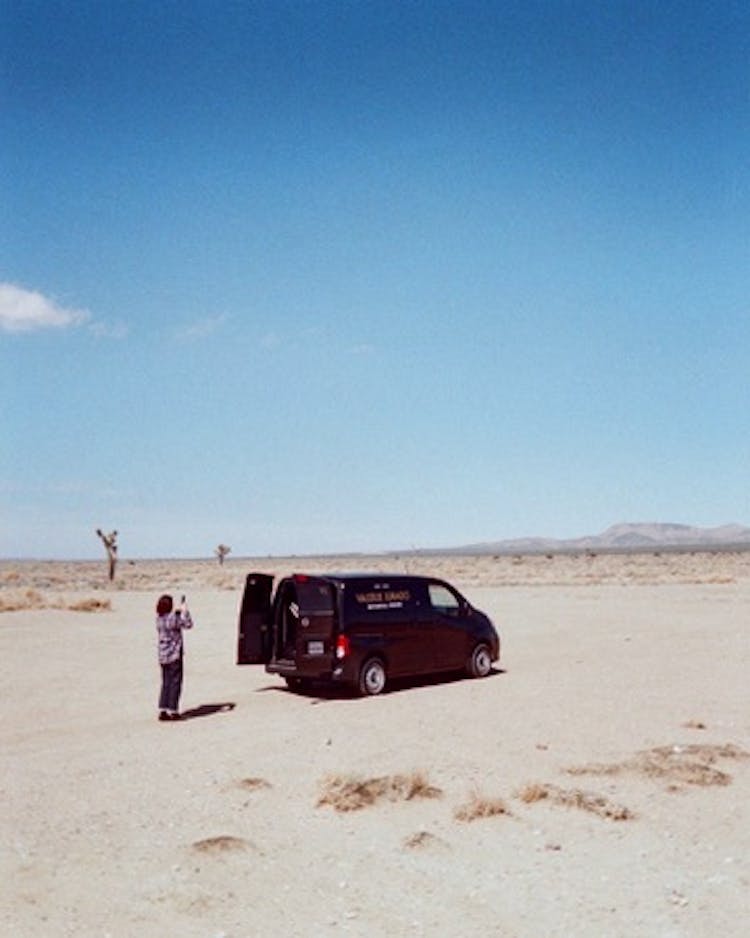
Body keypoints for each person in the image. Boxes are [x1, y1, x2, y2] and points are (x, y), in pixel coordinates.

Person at [156, 593, 193, 721]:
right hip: (174, 654)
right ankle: (173, 710)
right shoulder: (173, 618)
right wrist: (184, 610)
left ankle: (163, 709)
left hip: (162, 655)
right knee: (175, 682)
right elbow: (188, 624)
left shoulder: (159, 619)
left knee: (166, 682)